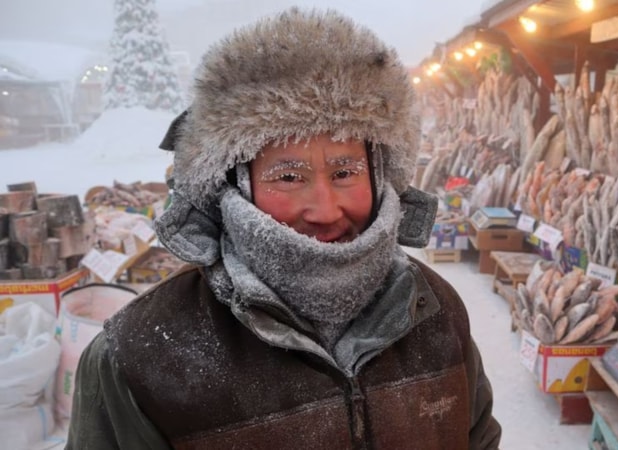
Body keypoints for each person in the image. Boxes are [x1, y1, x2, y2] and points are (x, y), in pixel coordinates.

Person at [66, 7, 501, 449]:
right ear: (234, 185)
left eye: (345, 172)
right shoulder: (140, 358)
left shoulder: (433, 311)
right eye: (289, 177)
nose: (325, 210)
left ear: (380, 173)